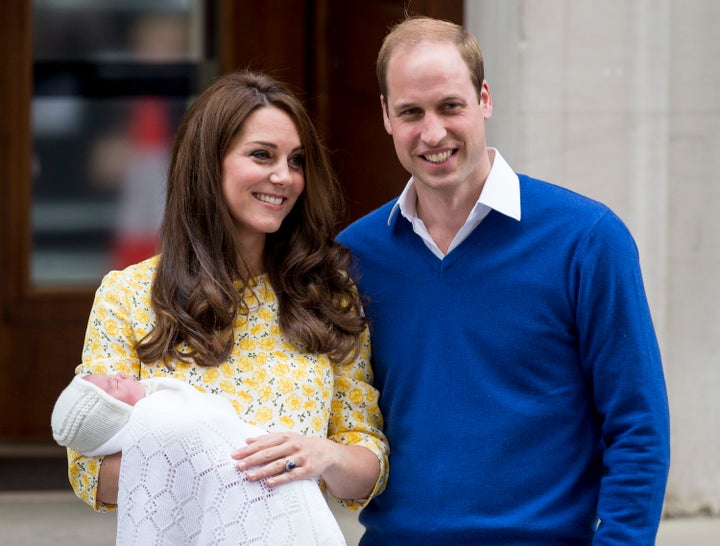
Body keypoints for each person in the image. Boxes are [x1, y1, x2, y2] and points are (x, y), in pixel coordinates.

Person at [337, 16, 670, 545]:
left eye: (450, 106)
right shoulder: (355, 256)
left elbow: (637, 426)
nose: (433, 133)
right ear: (385, 116)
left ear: (484, 99)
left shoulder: (587, 239)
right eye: (410, 112)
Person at [65, 71, 388, 529]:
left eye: (296, 161)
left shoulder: (327, 294)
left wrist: (324, 455)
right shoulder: (130, 295)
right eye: (262, 155)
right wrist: (210, 456)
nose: (284, 177)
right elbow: (89, 473)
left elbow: (367, 466)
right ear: (207, 162)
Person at [51, 371, 347, 545]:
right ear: (115, 416)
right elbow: (203, 427)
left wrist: (327, 453)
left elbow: (219, 419)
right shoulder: (161, 417)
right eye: (113, 386)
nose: (118, 374)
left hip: (283, 481)